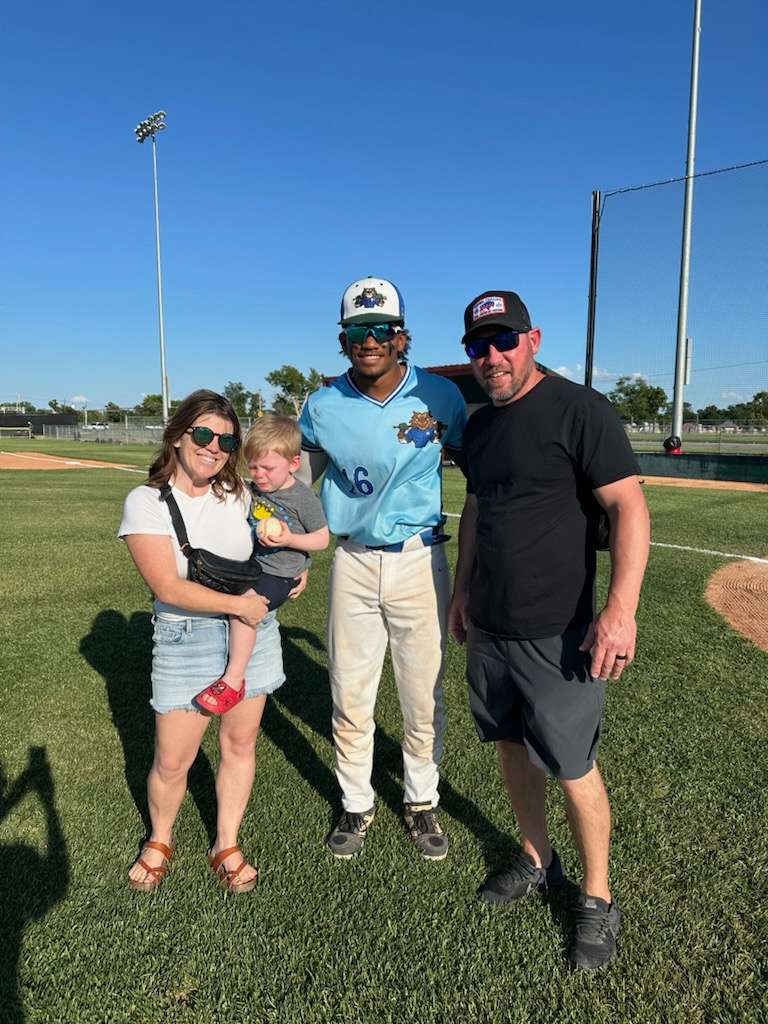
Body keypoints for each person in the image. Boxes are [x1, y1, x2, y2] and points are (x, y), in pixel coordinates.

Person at [448, 290, 650, 969]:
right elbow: (478, 505)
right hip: (491, 625)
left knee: (571, 765)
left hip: (560, 631)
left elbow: (628, 506)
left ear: (532, 339)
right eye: (479, 346)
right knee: (509, 747)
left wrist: (619, 609)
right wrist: (461, 590)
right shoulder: (480, 427)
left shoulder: (580, 409)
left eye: (504, 341)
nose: (492, 357)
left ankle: (597, 897)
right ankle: (537, 858)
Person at [298, 276, 467, 860]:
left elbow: (487, 471)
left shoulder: (440, 397)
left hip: (421, 560)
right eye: (355, 332)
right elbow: (297, 485)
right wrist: (286, 550)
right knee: (349, 692)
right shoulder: (321, 404)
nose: (368, 340)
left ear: (402, 337)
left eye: (380, 330)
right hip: (351, 559)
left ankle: (421, 803)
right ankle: (356, 801)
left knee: (422, 696)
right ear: (343, 340)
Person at [118, 389, 304, 893]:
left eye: (226, 439)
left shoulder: (242, 493)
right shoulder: (147, 501)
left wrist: (293, 573)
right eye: (203, 434)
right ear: (179, 436)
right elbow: (167, 587)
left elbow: (277, 540)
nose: (214, 446)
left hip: (253, 631)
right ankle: (160, 838)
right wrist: (240, 605)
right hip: (185, 636)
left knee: (240, 744)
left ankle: (226, 840)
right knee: (173, 759)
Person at [193, 415, 329, 714]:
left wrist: (289, 541)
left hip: (280, 574)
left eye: (268, 468)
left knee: (245, 606)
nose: (260, 474)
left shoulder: (302, 497)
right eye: (253, 467)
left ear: (294, 463)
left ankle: (233, 679)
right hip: (254, 567)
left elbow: (321, 539)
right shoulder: (254, 489)